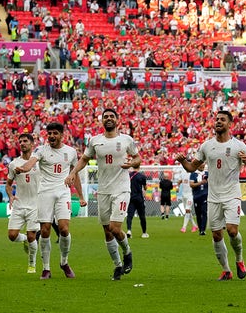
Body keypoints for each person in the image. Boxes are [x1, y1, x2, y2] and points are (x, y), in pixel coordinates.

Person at [176, 110, 246, 281]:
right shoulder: (207, 146)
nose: (218, 122)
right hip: (213, 196)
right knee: (216, 235)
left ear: (230, 124)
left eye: (222, 119)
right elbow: (192, 167)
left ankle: (239, 260)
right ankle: (226, 270)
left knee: (232, 230)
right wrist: (183, 161)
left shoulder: (239, 146)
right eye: (217, 119)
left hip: (232, 194)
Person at [66, 109, 141, 281]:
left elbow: (138, 159)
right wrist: (73, 173)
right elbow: (84, 159)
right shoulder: (95, 141)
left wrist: (131, 163)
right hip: (104, 190)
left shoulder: (126, 140)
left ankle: (127, 252)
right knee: (107, 232)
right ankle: (117, 265)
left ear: (117, 120)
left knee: (115, 228)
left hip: (121, 189)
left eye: (111, 116)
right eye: (105, 116)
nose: (108, 119)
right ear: (102, 120)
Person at [16, 122, 87, 280]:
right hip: (45, 192)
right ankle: (46, 268)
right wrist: (24, 168)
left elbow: (74, 174)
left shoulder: (70, 152)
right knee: (46, 229)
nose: (52, 136)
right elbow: (30, 163)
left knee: (63, 229)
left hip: (63, 192)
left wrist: (81, 196)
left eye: (55, 133)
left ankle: (64, 262)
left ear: (62, 135)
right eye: (49, 134)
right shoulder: (40, 150)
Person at [6, 133, 40, 274]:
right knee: (12, 236)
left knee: (33, 236)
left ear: (32, 144)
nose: (22, 143)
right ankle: (24, 239)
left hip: (35, 204)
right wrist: (10, 196)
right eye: (20, 141)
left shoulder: (39, 162)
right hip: (19, 204)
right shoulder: (13, 164)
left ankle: (31, 264)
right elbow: (8, 184)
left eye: (25, 141)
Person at [128, 166, 149, 238]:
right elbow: (145, 187)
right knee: (142, 216)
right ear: (139, 167)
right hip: (139, 198)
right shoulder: (142, 176)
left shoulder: (129, 175)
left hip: (131, 197)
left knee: (130, 215)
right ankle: (144, 232)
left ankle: (129, 230)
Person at [190, 164, 208, 235]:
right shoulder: (193, 174)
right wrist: (200, 183)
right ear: (198, 166)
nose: (203, 167)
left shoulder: (207, 174)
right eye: (201, 165)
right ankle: (200, 229)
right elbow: (191, 184)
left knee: (204, 212)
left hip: (205, 196)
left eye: (203, 166)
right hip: (197, 196)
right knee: (198, 214)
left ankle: (203, 230)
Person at [179, 168, 198, 233]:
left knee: (187, 210)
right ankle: (194, 226)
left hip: (191, 194)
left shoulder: (193, 173)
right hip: (184, 195)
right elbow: (180, 180)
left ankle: (184, 227)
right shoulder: (182, 172)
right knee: (188, 211)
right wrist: (177, 186)